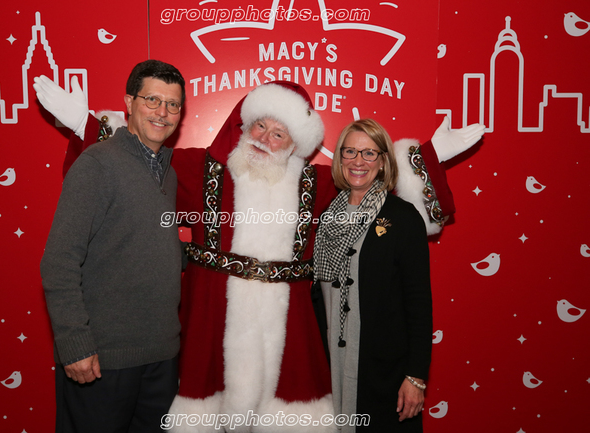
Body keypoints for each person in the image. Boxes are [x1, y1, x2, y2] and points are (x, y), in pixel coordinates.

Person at [35, 77, 483, 432]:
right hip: (210, 326)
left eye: (279, 132)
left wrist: (430, 156)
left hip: (291, 334)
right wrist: (85, 124)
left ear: (296, 143)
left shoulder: (317, 183)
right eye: (260, 126)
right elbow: (135, 159)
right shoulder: (200, 169)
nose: (267, 138)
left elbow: (373, 182)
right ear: (243, 125)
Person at [39, 59, 185, 433]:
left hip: (161, 358)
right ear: (129, 102)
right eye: (152, 100)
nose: (163, 112)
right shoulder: (98, 164)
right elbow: (59, 261)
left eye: (172, 104)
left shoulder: (167, 173)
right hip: (103, 360)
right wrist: (75, 345)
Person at [314, 119, 432, 432]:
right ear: (340, 158)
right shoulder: (326, 217)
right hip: (329, 366)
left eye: (369, 153)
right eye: (350, 151)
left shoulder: (403, 218)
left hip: (384, 373)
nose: (358, 161)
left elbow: (418, 304)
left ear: (382, 162)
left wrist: (416, 377)